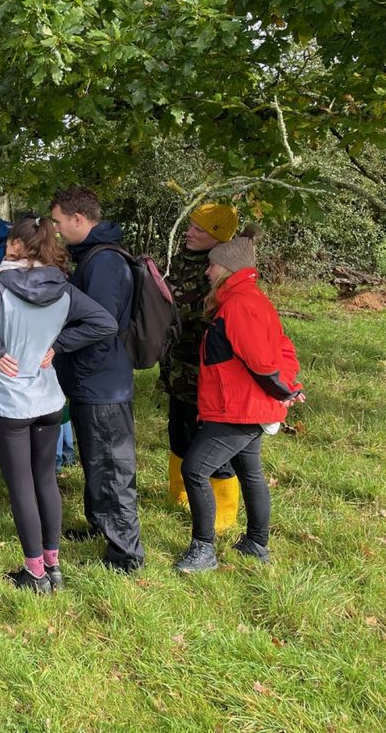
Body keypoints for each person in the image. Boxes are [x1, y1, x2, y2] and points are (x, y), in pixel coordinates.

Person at [0, 216, 119, 593]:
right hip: (49, 397)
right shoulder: (63, 287)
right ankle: (53, 566)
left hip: (9, 400)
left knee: (21, 486)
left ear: (17, 246)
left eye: (9, 243)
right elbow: (105, 322)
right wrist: (59, 344)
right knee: (45, 480)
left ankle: (34, 573)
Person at [177, 228, 304, 572]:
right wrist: (285, 389)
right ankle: (256, 544)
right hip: (241, 405)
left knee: (195, 469)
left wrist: (285, 390)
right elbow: (282, 349)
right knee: (250, 472)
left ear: (228, 269)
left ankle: (203, 551)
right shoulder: (246, 299)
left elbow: (265, 361)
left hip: (239, 409)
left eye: (212, 266)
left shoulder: (241, 305)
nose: (207, 272)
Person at [49, 186, 145, 572]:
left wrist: (57, 346)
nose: (55, 230)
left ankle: (126, 555)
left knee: (113, 466)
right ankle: (99, 525)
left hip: (103, 382)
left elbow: (101, 325)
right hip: (93, 379)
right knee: (96, 459)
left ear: (78, 219)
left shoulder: (104, 262)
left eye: (58, 222)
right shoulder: (91, 254)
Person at [159, 203, 241, 530]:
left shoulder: (222, 269)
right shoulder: (180, 260)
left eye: (199, 230)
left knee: (212, 445)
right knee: (179, 433)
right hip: (178, 369)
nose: (190, 233)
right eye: (190, 226)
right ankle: (178, 496)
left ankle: (223, 513)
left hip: (210, 374)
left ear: (218, 237)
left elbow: (209, 311)